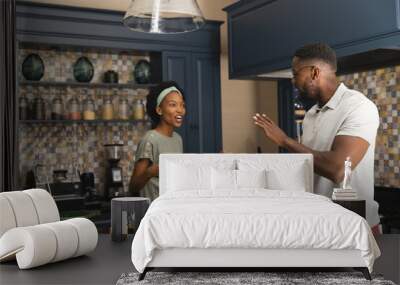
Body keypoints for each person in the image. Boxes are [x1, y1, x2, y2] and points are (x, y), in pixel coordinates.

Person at [253, 43, 380, 233]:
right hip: (320, 223)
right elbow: (310, 164)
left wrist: (285, 141)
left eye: (295, 74)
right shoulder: (311, 114)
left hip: (354, 226)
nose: (293, 81)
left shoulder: (358, 107)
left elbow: (338, 169)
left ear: (314, 72)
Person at [129, 81, 186, 201]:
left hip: (171, 208)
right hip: (153, 212)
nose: (180, 110)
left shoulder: (178, 139)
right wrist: (150, 172)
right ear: (159, 110)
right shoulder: (150, 139)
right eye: (173, 105)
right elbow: (133, 186)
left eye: (182, 105)